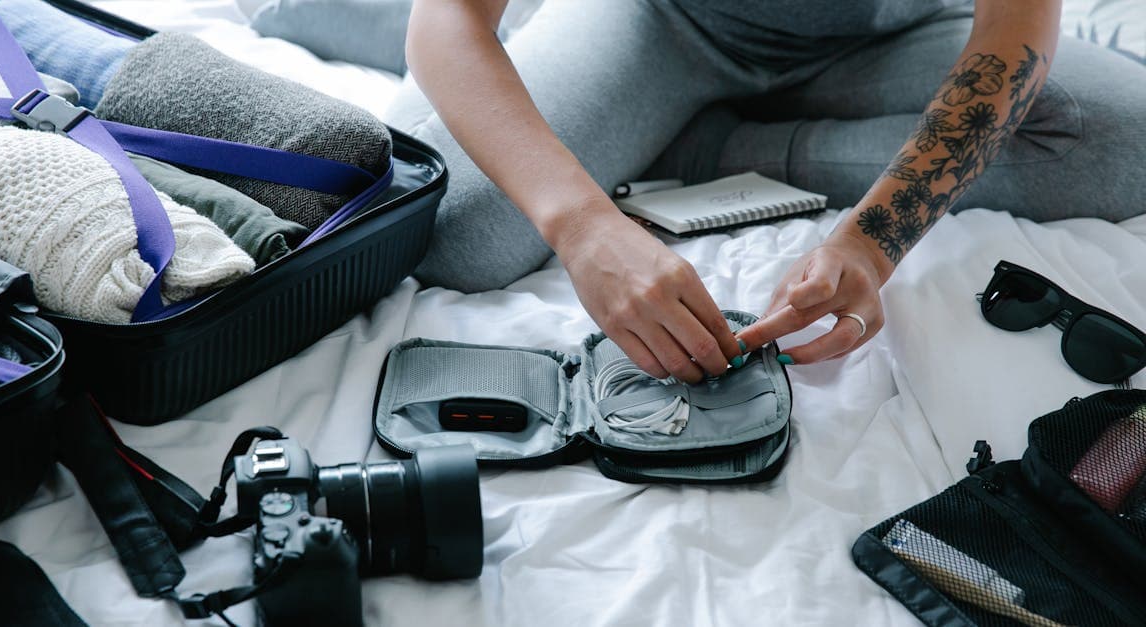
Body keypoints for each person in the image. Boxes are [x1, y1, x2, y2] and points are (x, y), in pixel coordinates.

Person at [381, 0, 1146, 384]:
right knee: (455, 227)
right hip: (663, 23)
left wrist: (873, 240)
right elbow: (450, 15)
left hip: (889, 38)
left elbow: (1015, 28)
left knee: (1120, 145)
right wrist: (584, 223)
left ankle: (708, 144)